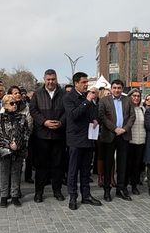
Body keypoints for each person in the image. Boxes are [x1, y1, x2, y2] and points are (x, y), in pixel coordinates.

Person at [64, 72, 102, 210]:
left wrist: (96, 120)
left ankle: (86, 195)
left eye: (87, 82)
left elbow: (94, 114)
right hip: (75, 140)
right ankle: (73, 197)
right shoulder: (69, 98)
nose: (86, 84)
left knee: (86, 170)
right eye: (84, 82)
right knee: (73, 170)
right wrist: (87, 101)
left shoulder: (89, 98)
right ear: (76, 83)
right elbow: (73, 115)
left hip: (89, 138)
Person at [29, 69, 67, 202]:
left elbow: (67, 111)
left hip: (58, 135)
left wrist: (61, 122)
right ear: (44, 79)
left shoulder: (63, 94)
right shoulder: (37, 94)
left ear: (56, 79)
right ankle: (38, 192)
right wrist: (44, 122)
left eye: (53, 79)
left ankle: (57, 191)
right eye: (48, 79)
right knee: (41, 166)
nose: (51, 82)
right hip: (42, 136)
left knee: (58, 165)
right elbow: (33, 110)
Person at [97, 79, 135, 201]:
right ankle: (107, 190)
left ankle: (121, 189)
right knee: (108, 164)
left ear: (122, 89)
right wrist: (115, 129)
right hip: (109, 136)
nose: (117, 90)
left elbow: (132, 116)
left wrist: (124, 129)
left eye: (119, 88)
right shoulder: (104, 101)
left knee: (122, 163)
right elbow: (102, 117)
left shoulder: (127, 100)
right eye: (114, 88)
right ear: (111, 88)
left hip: (124, 135)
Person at [0, 94, 32, 207]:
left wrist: (18, 144)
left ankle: (15, 196)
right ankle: (4, 196)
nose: (15, 105)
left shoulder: (22, 117)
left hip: (18, 150)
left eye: (16, 103)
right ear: (5, 105)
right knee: (4, 173)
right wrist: (9, 144)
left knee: (16, 173)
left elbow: (26, 133)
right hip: (4, 151)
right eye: (11, 103)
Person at [126, 90, 146, 195]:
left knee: (137, 165)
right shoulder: (127, 108)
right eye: (134, 96)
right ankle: (124, 185)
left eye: (138, 96)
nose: (136, 98)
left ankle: (134, 186)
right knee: (128, 165)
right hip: (130, 141)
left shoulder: (143, 109)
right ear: (130, 97)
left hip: (141, 141)